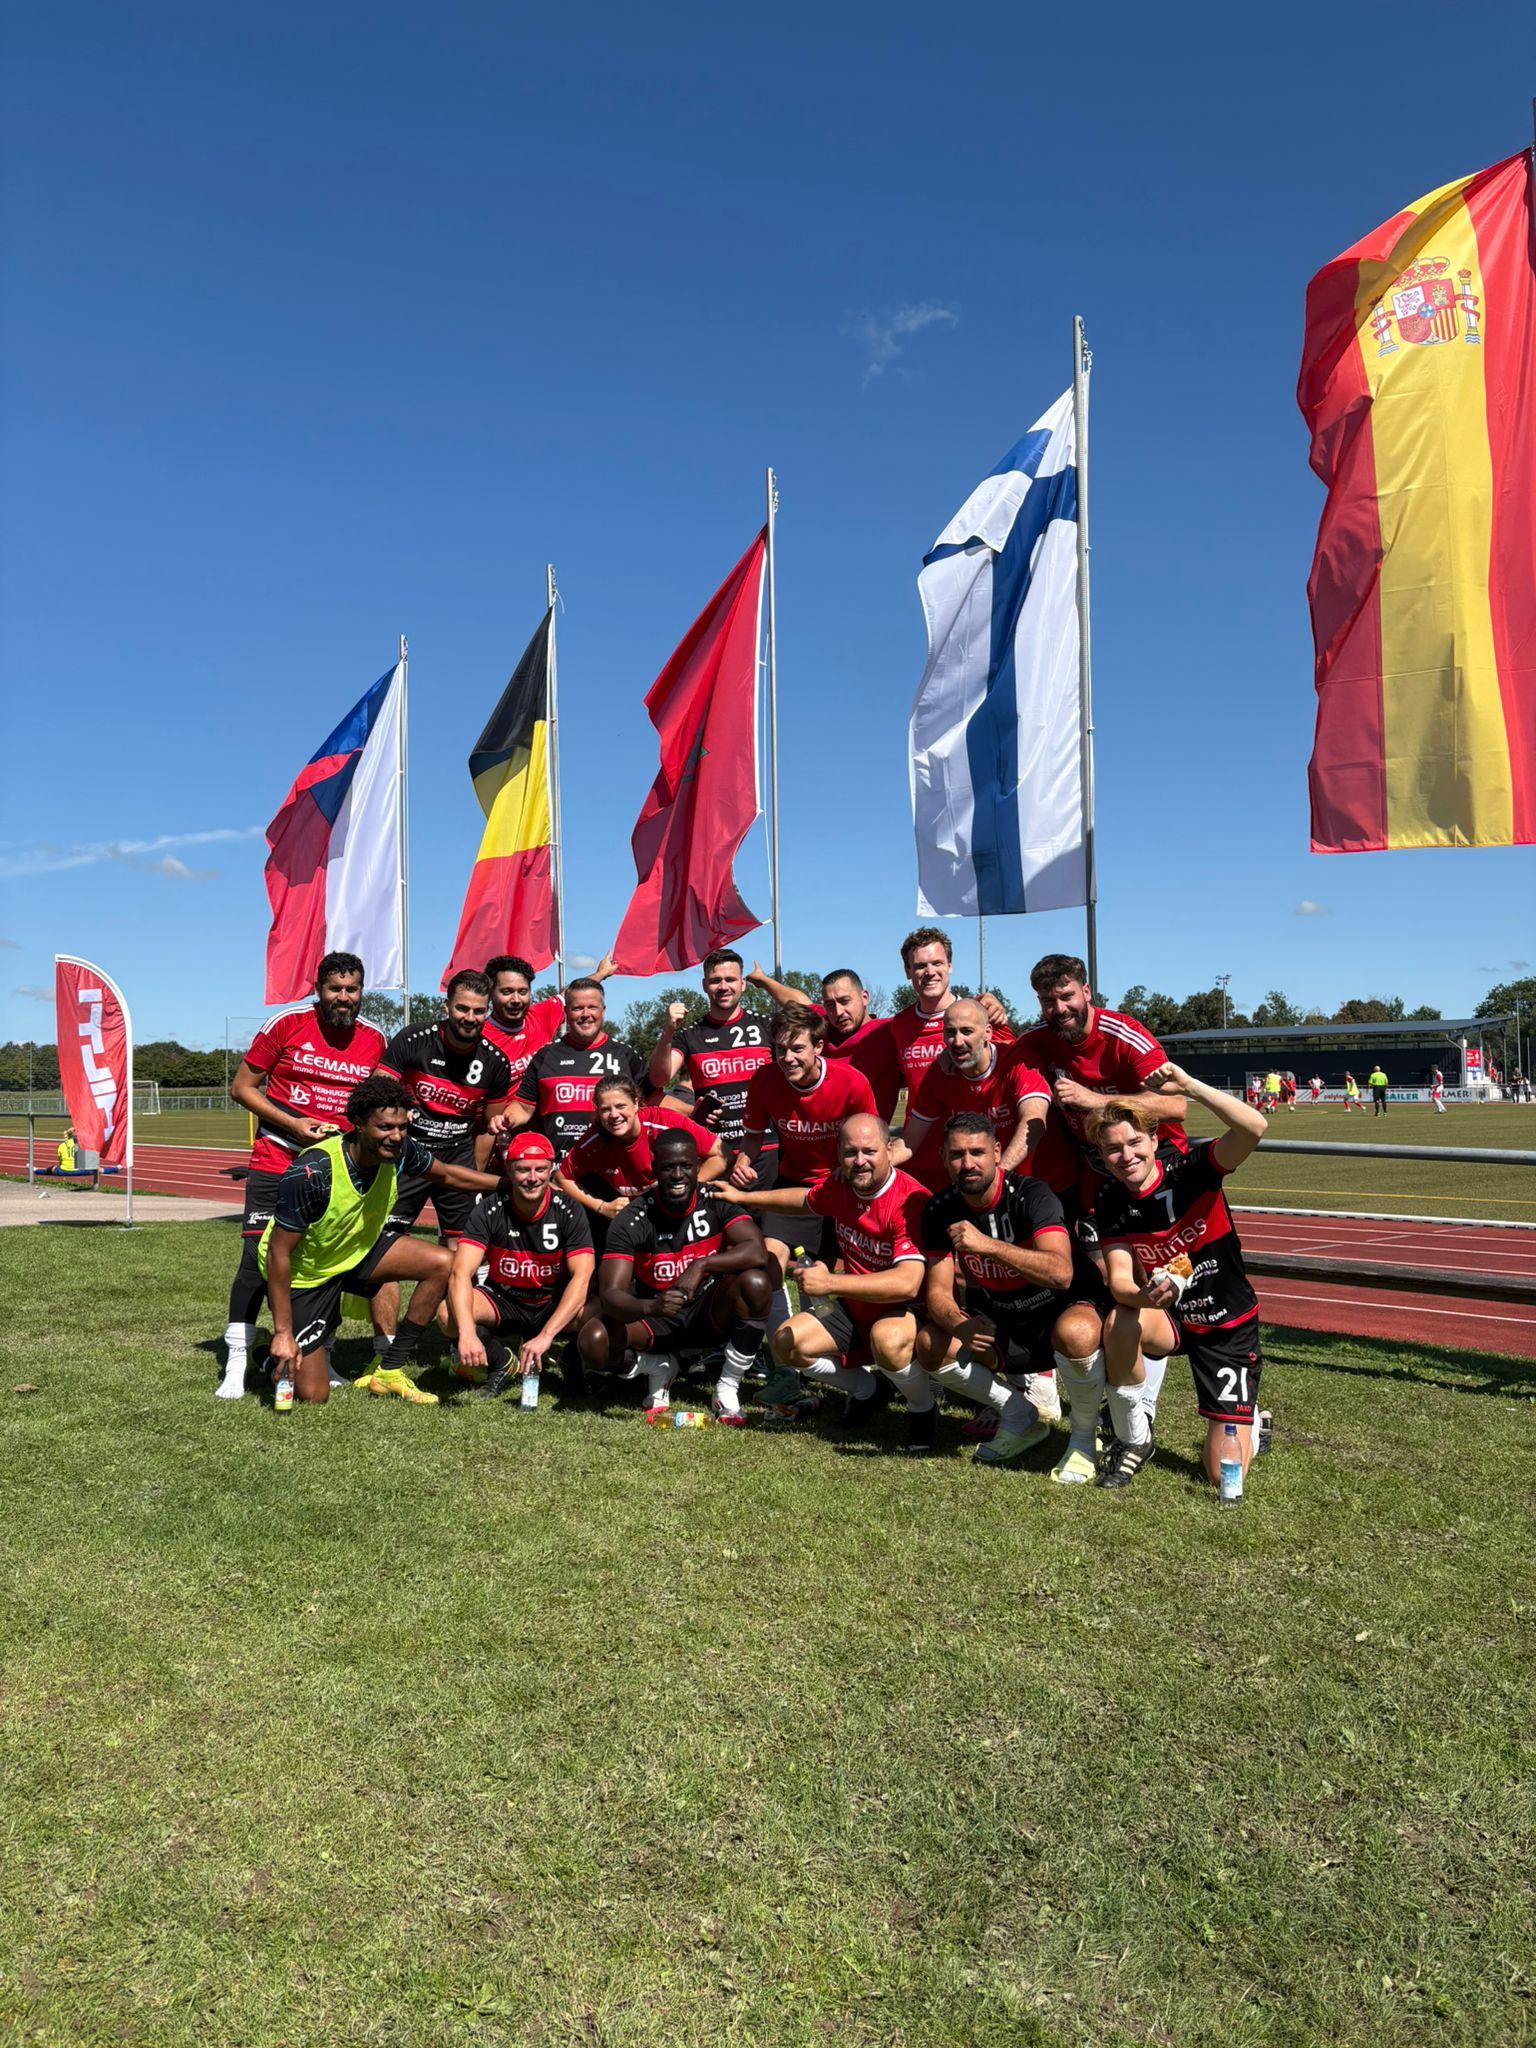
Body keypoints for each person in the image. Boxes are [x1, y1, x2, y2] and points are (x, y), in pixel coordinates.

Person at [1003, 954, 1188, 1440]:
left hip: (1154, 1163)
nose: (1058, 1008)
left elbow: (1176, 1105)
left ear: (1087, 991)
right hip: (1096, 1174)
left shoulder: (1122, 1033)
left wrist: (1097, 1101)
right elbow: (995, 1045)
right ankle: (1126, 1389)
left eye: (1066, 996)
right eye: (1047, 1000)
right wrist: (991, 1011)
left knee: (1163, 1278)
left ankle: (1148, 1401)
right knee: (1112, 1279)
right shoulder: (1038, 1042)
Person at [259, 1076, 500, 1406]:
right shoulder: (313, 1171)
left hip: (356, 1251)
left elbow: (446, 1174)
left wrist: (507, 1185)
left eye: (402, 1126)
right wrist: (283, 1333)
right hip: (307, 1273)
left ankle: (390, 1368)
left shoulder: (400, 1151)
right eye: (385, 1127)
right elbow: (278, 1253)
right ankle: (265, 1354)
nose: (397, 1135)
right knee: (314, 1396)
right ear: (358, 1123)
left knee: (444, 1263)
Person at [1090, 1062, 1269, 1491]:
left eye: (1135, 1142)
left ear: (1154, 1140)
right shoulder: (1110, 1198)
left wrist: (1188, 1086)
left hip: (1226, 1322)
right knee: (1119, 1322)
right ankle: (1135, 1436)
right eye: (1113, 1149)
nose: (1126, 1156)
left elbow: (1254, 1127)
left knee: (1221, 1475)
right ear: (1102, 1156)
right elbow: (1119, 1282)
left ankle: (1250, 1419)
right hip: (1170, 1318)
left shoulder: (1193, 1171)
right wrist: (1148, 1297)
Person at [219, 952, 389, 1400]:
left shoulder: (374, 1037)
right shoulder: (287, 1024)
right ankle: (236, 1363)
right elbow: (241, 1087)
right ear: (318, 990)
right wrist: (295, 1124)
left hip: (334, 1169)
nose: (344, 998)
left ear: (361, 992)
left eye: (352, 990)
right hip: (279, 1155)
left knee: (327, 1263)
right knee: (256, 1262)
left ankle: (321, 1352)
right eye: (335, 989)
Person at [735, 1113, 943, 1440]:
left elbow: (908, 1282)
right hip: (856, 1307)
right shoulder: (841, 1184)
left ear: (890, 1150)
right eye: (850, 1153)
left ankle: (922, 1405)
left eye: (869, 1151)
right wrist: (743, 1198)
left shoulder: (910, 1200)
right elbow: (805, 1200)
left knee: (886, 1340)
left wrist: (831, 1282)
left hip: (904, 1312)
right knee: (786, 1342)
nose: (859, 1161)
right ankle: (868, 1390)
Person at [916, 1113, 1084, 1467]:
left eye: (977, 1152)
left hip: (1055, 1320)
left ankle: (1083, 1438)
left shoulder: (1032, 1195)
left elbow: (1062, 1273)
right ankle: (1018, 1414)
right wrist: (959, 1324)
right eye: (957, 1154)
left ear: (996, 1152)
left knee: (1081, 1331)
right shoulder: (940, 1210)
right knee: (932, 1344)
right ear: (943, 1158)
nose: (968, 1163)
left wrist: (989, 1246)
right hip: (1002, 1324)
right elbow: (937, 1294)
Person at [579, 1129, 775, 1423]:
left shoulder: (715, 1198)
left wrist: (702, 1265)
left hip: (706, 1313)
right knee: (593, 1341)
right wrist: (650, 1307)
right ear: (654, 1169)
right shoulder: (632, 1218)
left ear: (698, 1166)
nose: (678, 1175)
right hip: (655, 1316)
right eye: (669, 1167)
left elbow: (757, 1251)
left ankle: (727, 1388)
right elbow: (610, 1296)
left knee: (758, 1280)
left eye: (686, 1166)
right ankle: (654, 1366)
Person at [730, 1003, 877, 1278]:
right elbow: (753, 1135)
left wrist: (848, 1170)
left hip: (845, 1185)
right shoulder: (764, 1080)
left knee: (831, 1270)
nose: (787, 1058)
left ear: (818, 1047)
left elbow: (873, 1143)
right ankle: (776, 1316)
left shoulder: (851, 1082)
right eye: (780, 1049)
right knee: (768, 1262)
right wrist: (743, 1160)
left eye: (797, 1049)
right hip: (794, 1184)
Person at [448, 1129, 595, 1399]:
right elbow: (460, 1273)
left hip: (551, 1299)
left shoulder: (570, 1210)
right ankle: (501, 1362)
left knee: (602, 1311)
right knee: (448, 1316)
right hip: (506, 1298)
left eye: (541, 1169)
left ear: (551, 1169)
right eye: (523, 1169)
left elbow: (582, 1277)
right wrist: (467, 1334)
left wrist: (547, 1335)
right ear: (509, 1169)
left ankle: (571, 1363)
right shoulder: (489, 1208)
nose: (532, 1178)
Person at [377, 971, 513, 1245]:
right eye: (462, 1008)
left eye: (478, 1011)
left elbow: (490, 1127)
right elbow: (378, 1093)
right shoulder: (414, 1038)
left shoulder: (496, 1062)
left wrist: (474, 1172)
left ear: (487, 1011)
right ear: (447, 1006)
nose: (470, 1018)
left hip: (457, 1154)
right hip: (408, 1150)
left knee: (462, 1247)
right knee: (386, 1239)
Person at [893, 999, 1050, 1190]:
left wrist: (997, 1175)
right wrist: (872, 1161)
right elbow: (910, 1141)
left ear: (987, 1033)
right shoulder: (940, 1072)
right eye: (950, 1033)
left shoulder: (1018, 1061)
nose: (958, 1042)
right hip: (981, 1189)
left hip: (1037, 1184)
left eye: (967, 1031)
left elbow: (1033, 1122)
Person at [503, 977, 647, 1158]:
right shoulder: (545, 1056)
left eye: (592, 1007)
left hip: (614, 1170)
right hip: (558, 1170)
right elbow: (523, 1108)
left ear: (603, 1011)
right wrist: (505, 1118)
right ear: (565, 1013)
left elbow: (651, 1105)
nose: (585, 1014)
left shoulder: (626, 1055)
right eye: (577, 1008)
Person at [649, 948, 775, 1152]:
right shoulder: (689, 1035)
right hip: (715, 1149)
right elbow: (658, 1080)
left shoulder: (768, 1026)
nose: (724, 986)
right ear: (705, 985)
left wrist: (767, 982)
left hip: (768, 1147)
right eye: (716, 980)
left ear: (742, 984)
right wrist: (668, 1031)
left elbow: (808, 1014)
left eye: (730, 979)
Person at [558, 1078, 725, 1230]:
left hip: (680, 1216)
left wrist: (685, 1190)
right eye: (605, 1110)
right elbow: (562, 1177)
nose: (614, 1115)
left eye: (621, 1106)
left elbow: (722, 1155)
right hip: (638, 1223)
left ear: (636, 1103)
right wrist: (601, 1207)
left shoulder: (664, 1122)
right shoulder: (595, 1140)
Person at [750, 961, 900, 1116]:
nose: (838, 1011)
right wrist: (763, 980)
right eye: (830, 1005)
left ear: (864, 998)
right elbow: (799, 1002)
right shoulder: (823, 1024)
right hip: (821, 1133)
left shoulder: (890, 1031)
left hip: (865, 1135)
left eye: (845, 1001)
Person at [481, 951, 616, 1087]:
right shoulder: (479, 1038)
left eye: (522, 992)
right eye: (507, 992)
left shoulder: (541, 1016)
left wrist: (601, 973)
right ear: (490, 993)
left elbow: (571, 994)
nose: (516, 1000)